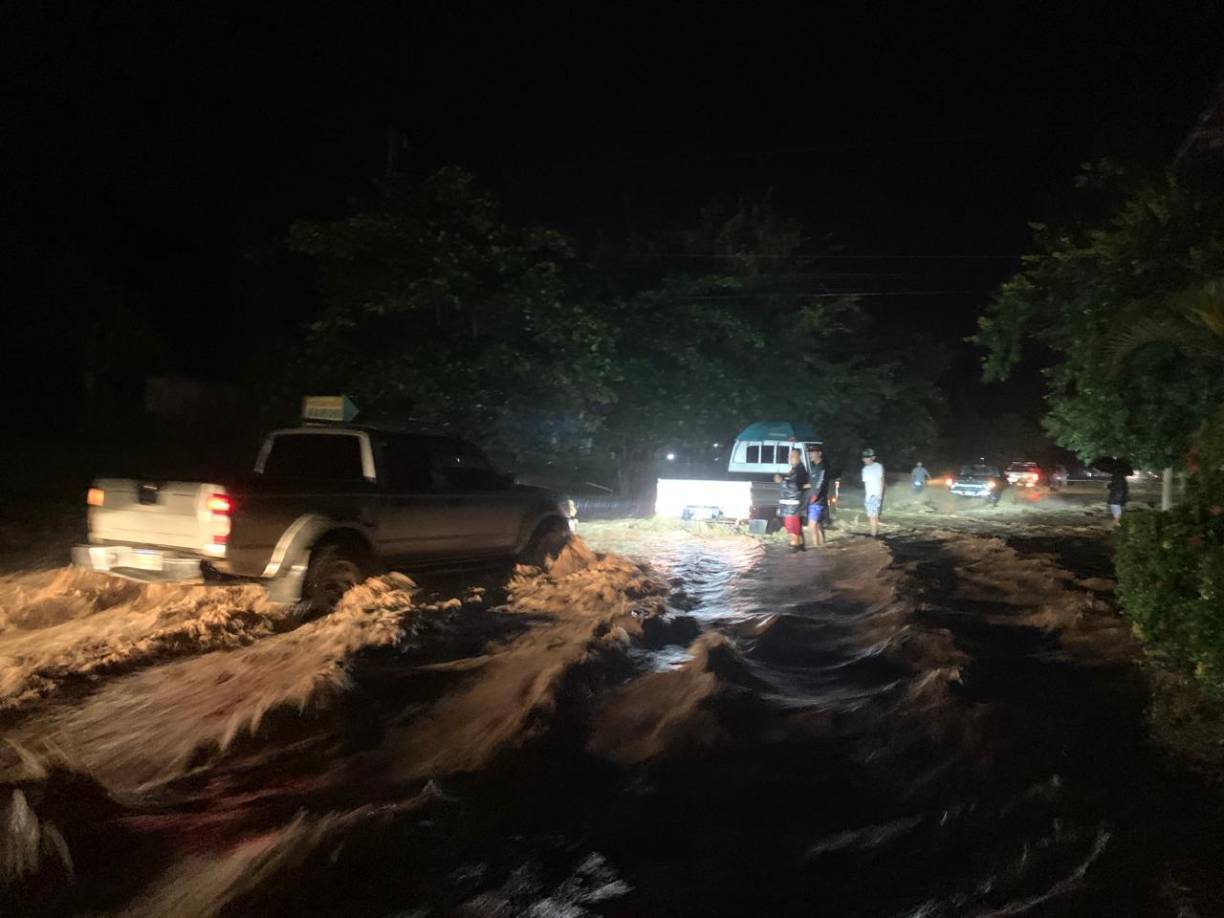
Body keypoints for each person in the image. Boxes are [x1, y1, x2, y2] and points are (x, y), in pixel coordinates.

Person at [774, 448, 810, 552]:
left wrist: (782, 481)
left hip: (792, 507)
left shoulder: (799, 470)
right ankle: (799, 547)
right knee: (795, 529)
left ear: (799, 458)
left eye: (792, 456)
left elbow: (796, 487)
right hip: (791, 507)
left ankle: (794, 549)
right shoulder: (796, 470)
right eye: (789, 456)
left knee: (792, 529)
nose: (790, 458)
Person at [806, 443, 829, 547]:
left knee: (812, 526)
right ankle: (823, 544)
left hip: (817, 501)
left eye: (812, 452)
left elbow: (820, 482)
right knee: (818, 524)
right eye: (809, 452)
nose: (810, 454)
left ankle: (816, 548)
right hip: (816, 500)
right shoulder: (815, 467)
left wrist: (814, 496)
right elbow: (813, 483)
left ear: (819, 453)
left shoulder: (822, 467)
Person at [861, 448, 885, 537]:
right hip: (869, 496)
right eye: (864, 457)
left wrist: (880, 495)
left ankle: (873, 536)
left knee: (872, 516)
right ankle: (875, 534)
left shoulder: (878, 466)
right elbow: (866, 484)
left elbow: (882, 480)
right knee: (873, 516)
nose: (866, 459)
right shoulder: (864, 469)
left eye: (868, 457)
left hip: (875, 495)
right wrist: (866, 497)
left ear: (873, 457)